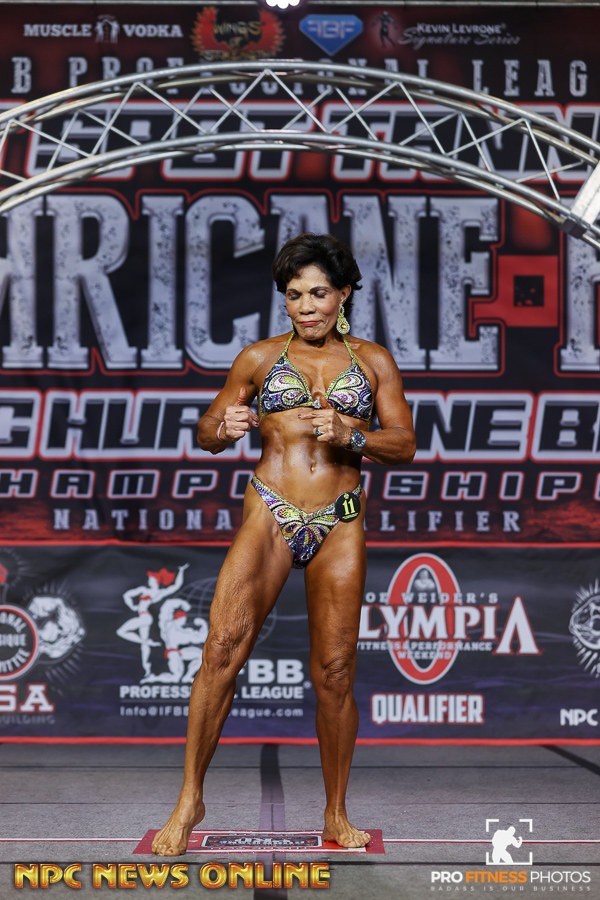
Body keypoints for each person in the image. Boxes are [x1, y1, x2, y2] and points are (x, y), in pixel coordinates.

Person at [152, 232, 416, 856]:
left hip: (339, 519)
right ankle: (189, 799)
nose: (306, 306)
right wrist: (225, 427)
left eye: (318, 293)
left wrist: (351, 434)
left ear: (343, 294)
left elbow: (404, 444)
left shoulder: (374, 362)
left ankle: (336, 813)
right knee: (221, 648)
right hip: (271, 509)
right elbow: (208, 431)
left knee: (336, 672)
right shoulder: (258, 358)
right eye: (295, 295)